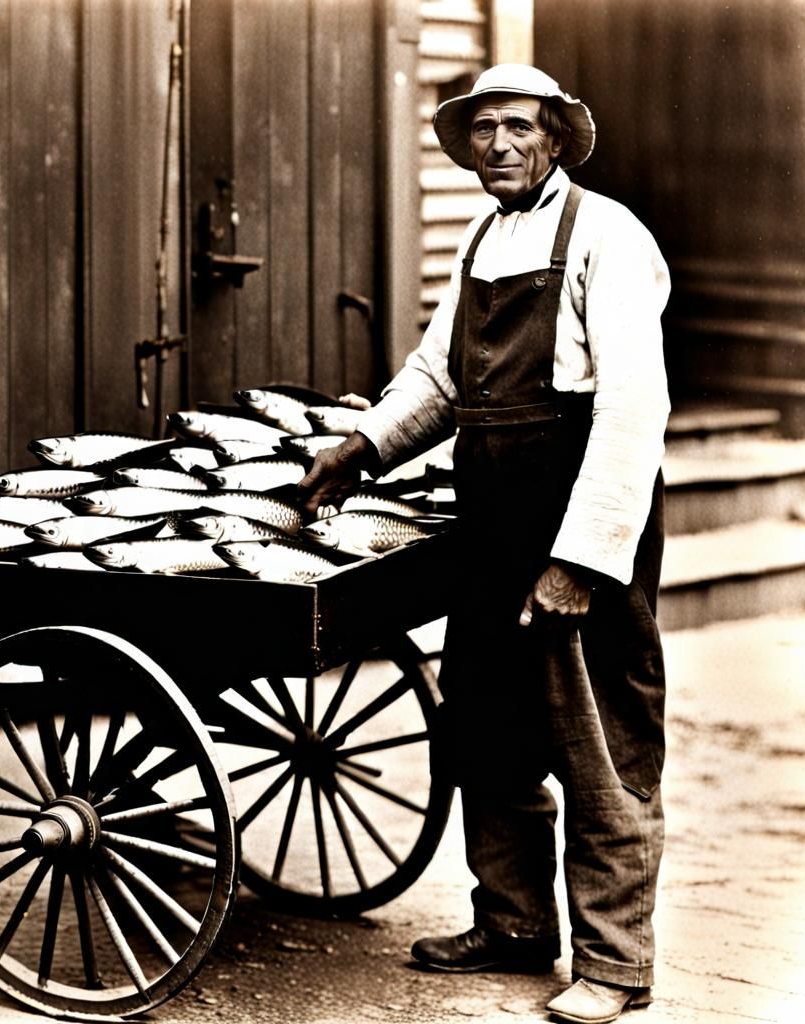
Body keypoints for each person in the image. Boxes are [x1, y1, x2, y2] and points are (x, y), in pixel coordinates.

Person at [299, 63, 669, 1024]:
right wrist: (362, 448)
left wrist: (581, 561)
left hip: (576, 515)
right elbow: (438, 375)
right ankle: (512, 923)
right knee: (488, 725)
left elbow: (635, 410)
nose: (497, 146)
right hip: (492, 520)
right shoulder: (478, 239)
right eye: (482, 132)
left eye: (517, 128)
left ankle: (617, 965)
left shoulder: (610, 236)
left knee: (599, 746)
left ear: (554, 137)